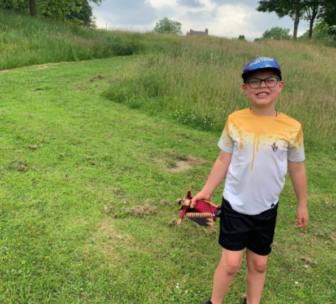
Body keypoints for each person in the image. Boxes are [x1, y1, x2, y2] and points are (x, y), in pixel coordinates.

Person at [193, 57, 309, 304]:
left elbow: (297, 170)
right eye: (254, 81)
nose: (262, 85)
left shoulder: (293, 127)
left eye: (269, 79)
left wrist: (302, 205)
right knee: (231, 263)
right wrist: (206, 191)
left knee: (259, 263)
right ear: (245, 89)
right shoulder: (235, 119)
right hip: (235, 205)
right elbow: (223, 160)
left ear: (280, 85)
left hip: (267, 208)